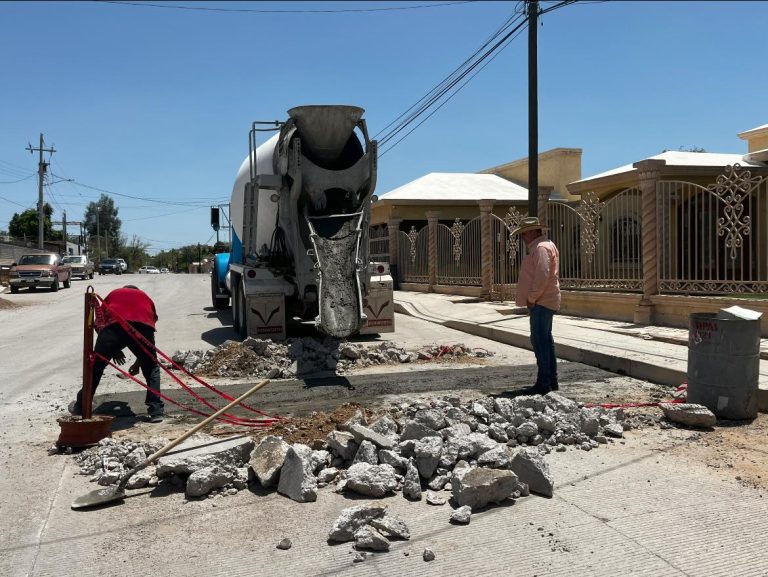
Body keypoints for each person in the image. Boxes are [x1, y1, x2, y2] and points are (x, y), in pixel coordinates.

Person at [70, 285, 164, 422]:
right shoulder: (145, 297)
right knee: (152, 367)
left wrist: (113, 349)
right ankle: (156, 411)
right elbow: (149, 327)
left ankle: (81, 407)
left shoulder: (114, 293)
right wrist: (141, 361)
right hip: (141, 328)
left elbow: (99, 321)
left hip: (114, 327)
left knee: (96, 367)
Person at [513, 216, 561, 395]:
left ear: (533, 231)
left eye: (525, 233)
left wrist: (532, 298)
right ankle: (551, 380)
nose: (523, 237)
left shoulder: (541, 248)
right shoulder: (546, 245)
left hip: (541, 301)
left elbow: (542, 275)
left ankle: (544, 382)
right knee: (545, 341)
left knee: (540, 341)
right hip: (546, 300)